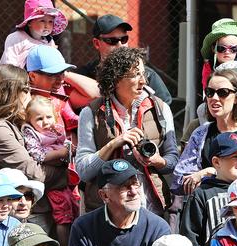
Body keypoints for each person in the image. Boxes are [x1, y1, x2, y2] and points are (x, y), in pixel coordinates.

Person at [75, 47, 178, 216]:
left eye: (143, 74)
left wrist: (156, 161)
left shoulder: (160, 108)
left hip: (151, 210)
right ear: (115, 79)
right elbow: (84, 171)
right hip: (107, 211)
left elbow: (173, 160)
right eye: (135, 75)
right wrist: (114, 144)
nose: (143, 81)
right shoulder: (91, 113)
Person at [0, 64, 66, 237]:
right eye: (27, 90)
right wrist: (69, 174)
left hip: (33, 211)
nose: (30, 95)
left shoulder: (16, 123)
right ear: (11, 93)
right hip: (13, 216)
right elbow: (33, 173)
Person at [172, 69, 237, 195]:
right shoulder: (200, 133)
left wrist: (209, 172)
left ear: (236, 98)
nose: (214, 98)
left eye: (223, 93)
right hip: (205, 207)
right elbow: (179, 179)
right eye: (209, 92)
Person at [0, 0, 99, 109]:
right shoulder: (16, 37)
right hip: (16, 85)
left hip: (43, 87)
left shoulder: (49, 41)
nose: (47, 25)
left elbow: (54, 66)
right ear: (29, 22)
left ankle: (67, 115)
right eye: (42, 21)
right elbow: (9, 66)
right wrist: (24, 83)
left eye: (50, 22)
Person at [22, 95, 79, 246]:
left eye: (49, 117)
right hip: (52, 183)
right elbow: (39, 156)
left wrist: (68, 149)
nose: (46, 121)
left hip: (65, 179)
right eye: (39, 118)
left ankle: (73, 244)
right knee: (63, 214)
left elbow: (64, 142)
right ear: (29, 120)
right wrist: (61, 152)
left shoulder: (54, 129)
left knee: (74, 208)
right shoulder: (31, 134)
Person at [78, 14, 172, 105]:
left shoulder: (147, 75)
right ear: (97, 43)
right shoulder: (85, 75)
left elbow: (164, 106)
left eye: (124, 39)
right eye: (112, 41)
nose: (120, 45)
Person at [199, 19, 237, 119]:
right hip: (218, 102)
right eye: (222, 48)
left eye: (233, 49)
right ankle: (207, 132)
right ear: (214, 48)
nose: (227, 52)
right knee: (201, 109)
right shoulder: (208, 66)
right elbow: (207, 89)